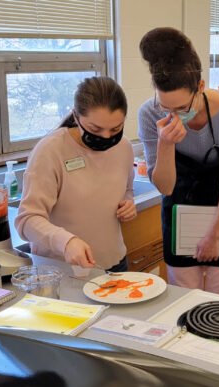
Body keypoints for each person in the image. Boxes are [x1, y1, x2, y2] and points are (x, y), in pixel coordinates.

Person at [138, 27, 219, 298]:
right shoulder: (149, 114)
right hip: (180, 210)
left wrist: (214, 236)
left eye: (182, 109)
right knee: (182, 301)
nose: (173, 115)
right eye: (166, 107)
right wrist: (165, 144)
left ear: (200, 87)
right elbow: (164, 187)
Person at [16, 76, 135, 272]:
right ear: (76, 116)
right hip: (60, 269)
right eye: (95, 129)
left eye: (116, 128)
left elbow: (127, 191)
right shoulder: (50, 150)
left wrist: (128, 204)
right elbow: (27, 220)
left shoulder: (124, 147)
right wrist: (66, 241)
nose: (106, 137)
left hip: (114, 263)